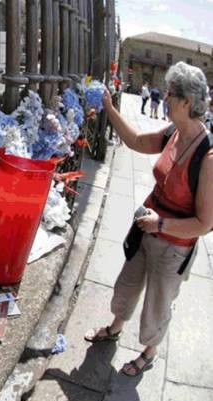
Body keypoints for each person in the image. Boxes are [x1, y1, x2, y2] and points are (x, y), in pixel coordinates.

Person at [85, 62, 213, 377]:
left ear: (187, 102)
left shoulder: (208, 157)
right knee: (127, 284)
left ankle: (149, 351)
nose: (164, 97)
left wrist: (163, 225)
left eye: (171, 94)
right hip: (147, 230)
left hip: (174, 245)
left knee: (158, 302)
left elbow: (205, 223)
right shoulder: (174, 131)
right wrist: (109, 109)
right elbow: (138, 142)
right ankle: (115, 328)